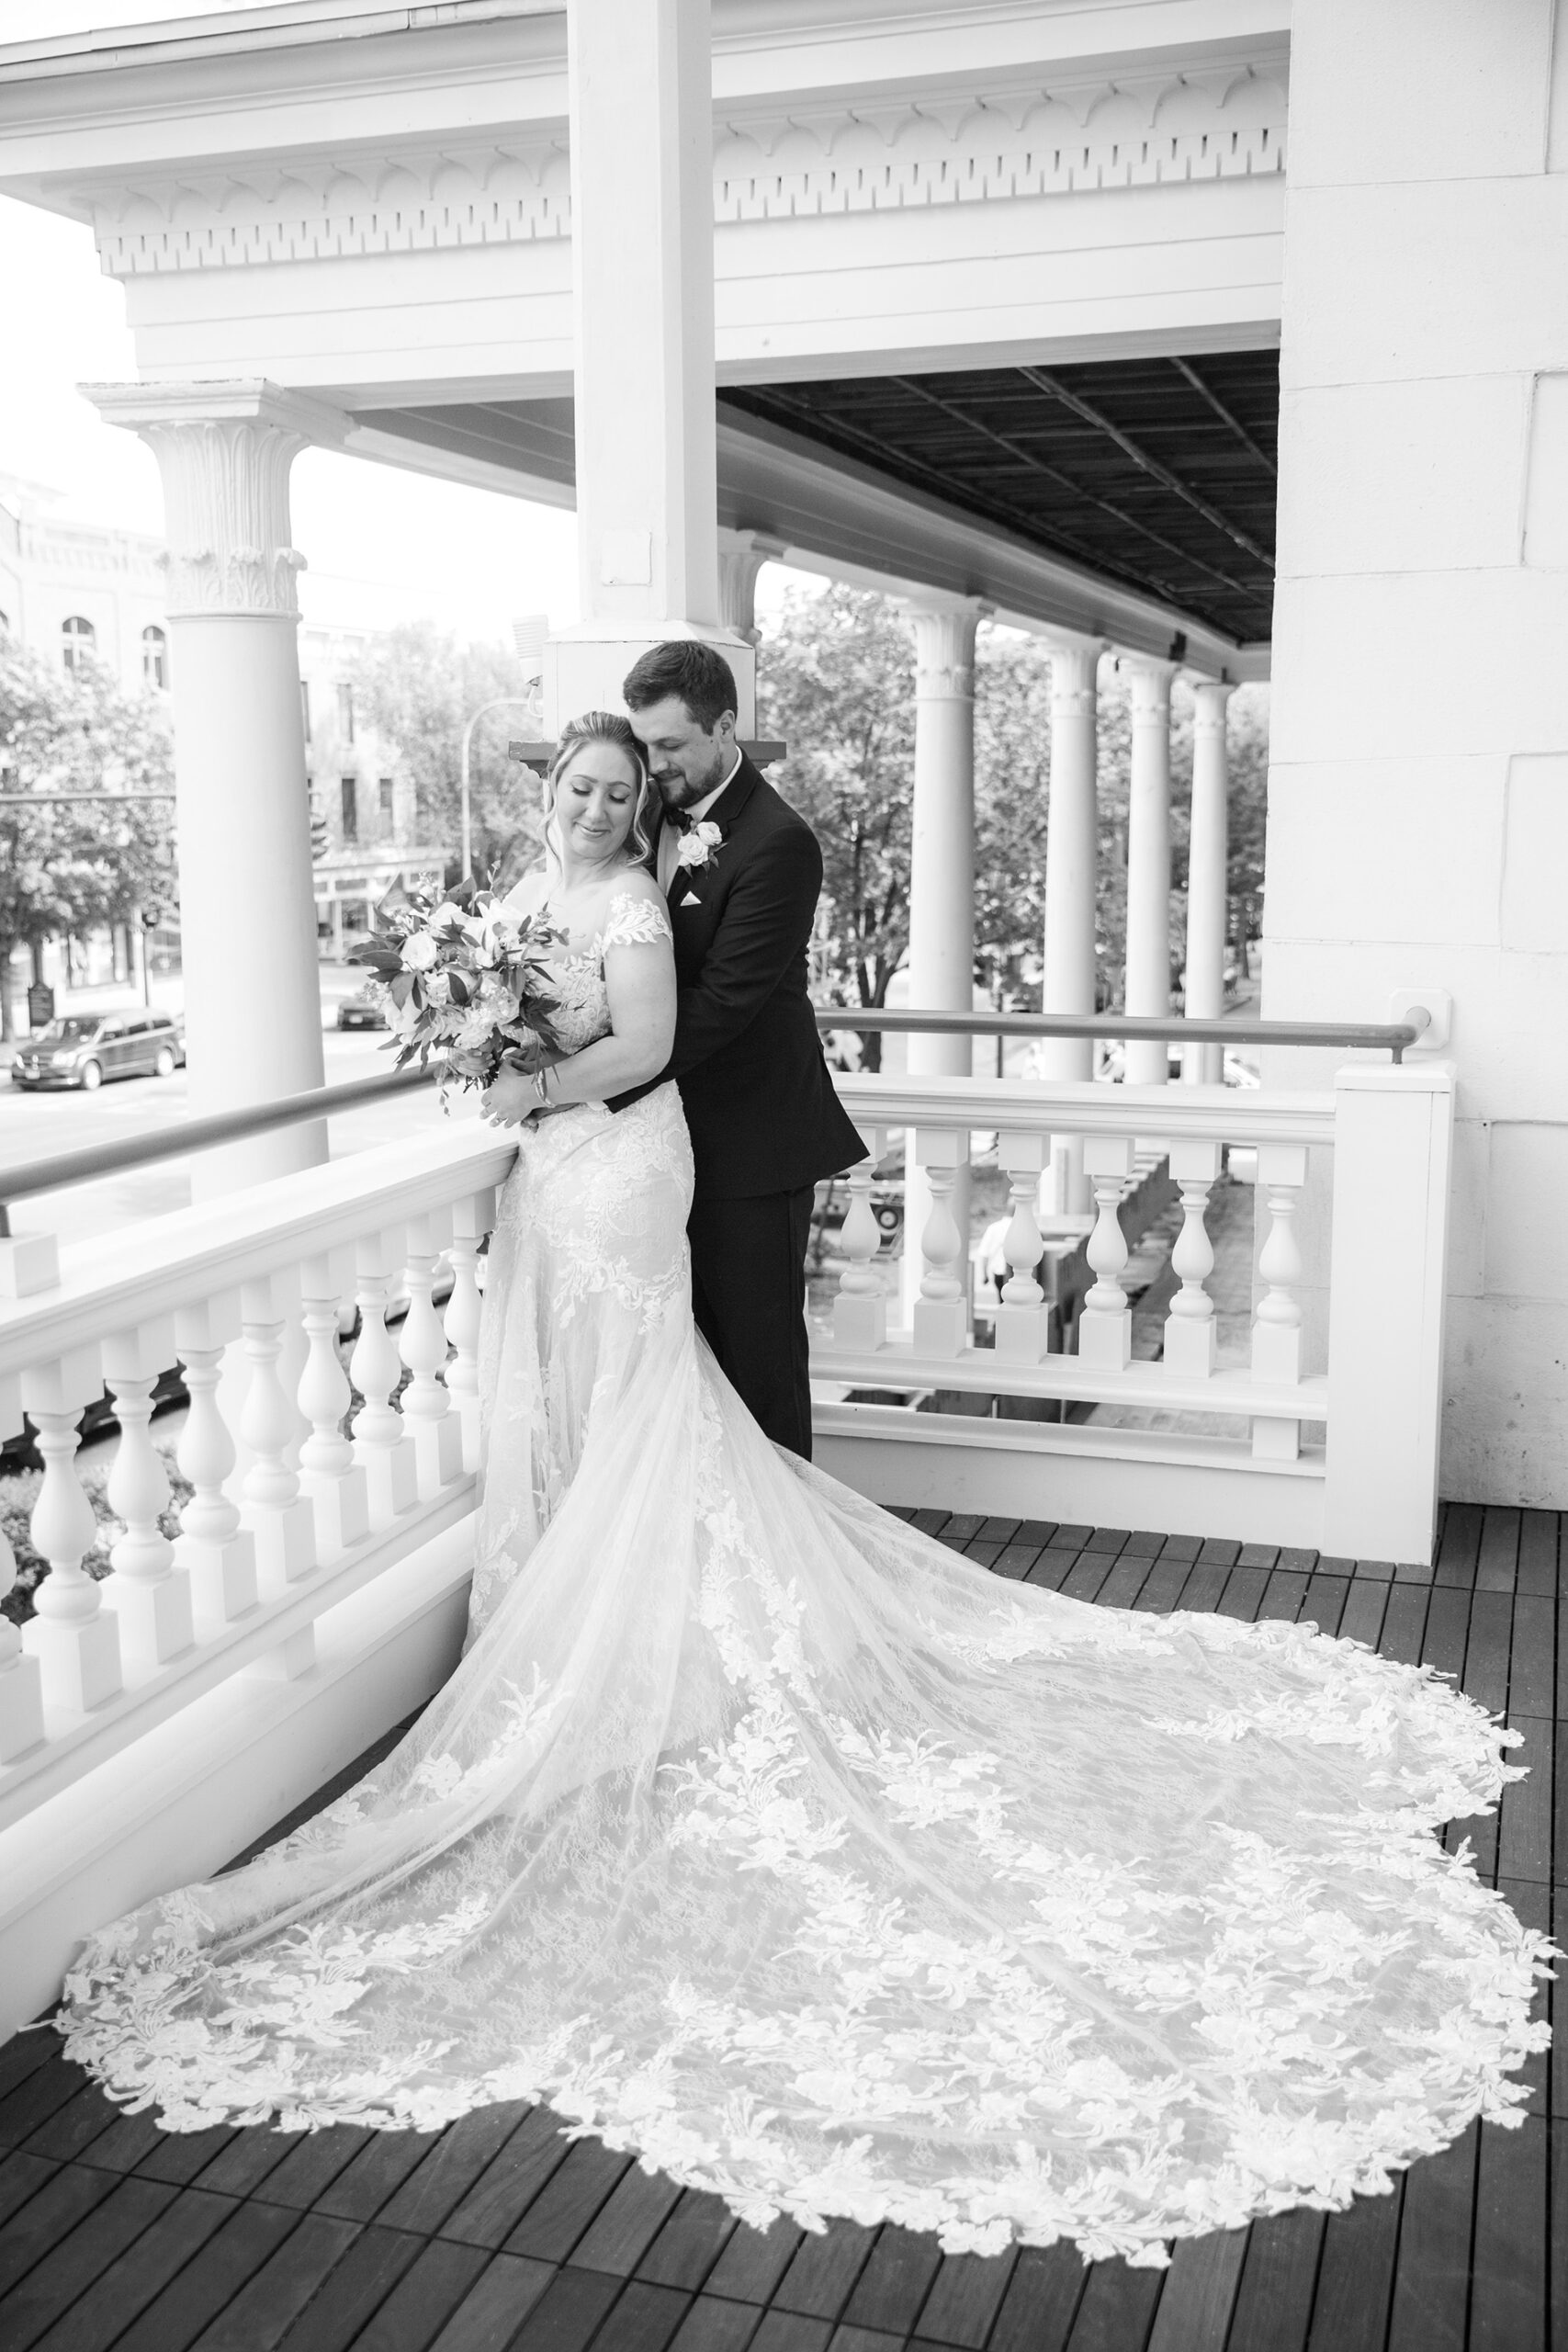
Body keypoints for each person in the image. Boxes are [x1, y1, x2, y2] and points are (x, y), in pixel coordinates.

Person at [57, 711, 1548, 2268]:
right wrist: (485, 1047)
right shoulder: (517, 895)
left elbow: (641, 1046)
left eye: (616, 793)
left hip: (621, 1163)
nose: (590, 807)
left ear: (641, 813)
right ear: (547, 795)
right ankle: (587, 1585)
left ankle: (663, 1624)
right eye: (575, 786)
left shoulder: (633, 906)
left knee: (642, 1380)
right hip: (548, 1169)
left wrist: (529, 1077)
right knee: (578, 1384)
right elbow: (516, 1021)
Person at [614, 639, 863, 1458]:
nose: (652, 764)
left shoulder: (778, 842)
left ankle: (791, 1566)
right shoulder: (645, 810)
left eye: (671, 745)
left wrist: (590, 1078)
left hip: (751, 1150)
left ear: (726, 727)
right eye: (643, 743)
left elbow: (724, 1003)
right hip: (658, 1147)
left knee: (756, 1372)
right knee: (675, 1368)